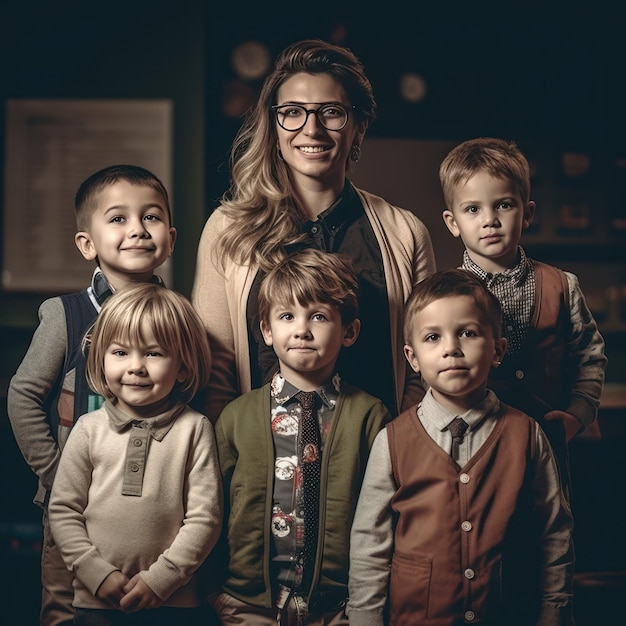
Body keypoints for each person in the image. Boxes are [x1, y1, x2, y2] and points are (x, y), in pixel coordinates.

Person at [192, 38, 436, 423]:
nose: (312, 128)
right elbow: (216, 369)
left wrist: (399, 447)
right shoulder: (228, 228)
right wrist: (236, 461)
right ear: (274, 125)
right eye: (292, 112)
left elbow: (424, 359)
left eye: (331, 112)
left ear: (359, 127)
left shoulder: (405, 233)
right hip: (264, 466)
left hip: (379, 462)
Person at [347, 269, 575, 626]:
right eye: (433, 337)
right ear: (412, 357)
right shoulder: (391, 441)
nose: (451, 348)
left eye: (467, 333)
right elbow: (370, 545)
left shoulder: (528, 435)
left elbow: (554, 533)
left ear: (498, 349)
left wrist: (554, 612)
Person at [7, 164, 177, 626]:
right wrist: (56, 474)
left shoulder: (180, 320)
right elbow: (23, 397)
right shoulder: (66, 316)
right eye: (118, 219)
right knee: (67, 610)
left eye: (152, 217)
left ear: (171, 238)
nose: (137, 229)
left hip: (149, 514)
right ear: (88, 244)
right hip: (75, 510)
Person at [211, 248, 390, 625]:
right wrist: (216, 594)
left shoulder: (370, 416)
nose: (302, 329)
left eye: (319, 316)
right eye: (287, 316)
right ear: (266, 329)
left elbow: (383, 518)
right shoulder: (236, 417)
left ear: (349, 332)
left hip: (337, 608)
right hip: (248, 606)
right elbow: (211, 509)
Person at [438, 137, 607, 497]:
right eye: (473, 210)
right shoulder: (443, 297)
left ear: (527, 213)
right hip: (475, 451)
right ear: (452, 222)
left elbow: (589, 358)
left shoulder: (562, 285)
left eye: (503, 205)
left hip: (552, 448)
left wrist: (578, 415)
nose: (490, 220)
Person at [48, 283, 222, 626]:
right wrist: (97, 574)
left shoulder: (195, 428)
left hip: (172, 604)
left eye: (153, 353)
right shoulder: (87, 429)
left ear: (183, 367)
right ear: (101, 358)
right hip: (95, 602)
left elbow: (205, 519)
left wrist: (161, 580)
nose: (136, 367)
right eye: (120, 352)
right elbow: (64, 511)